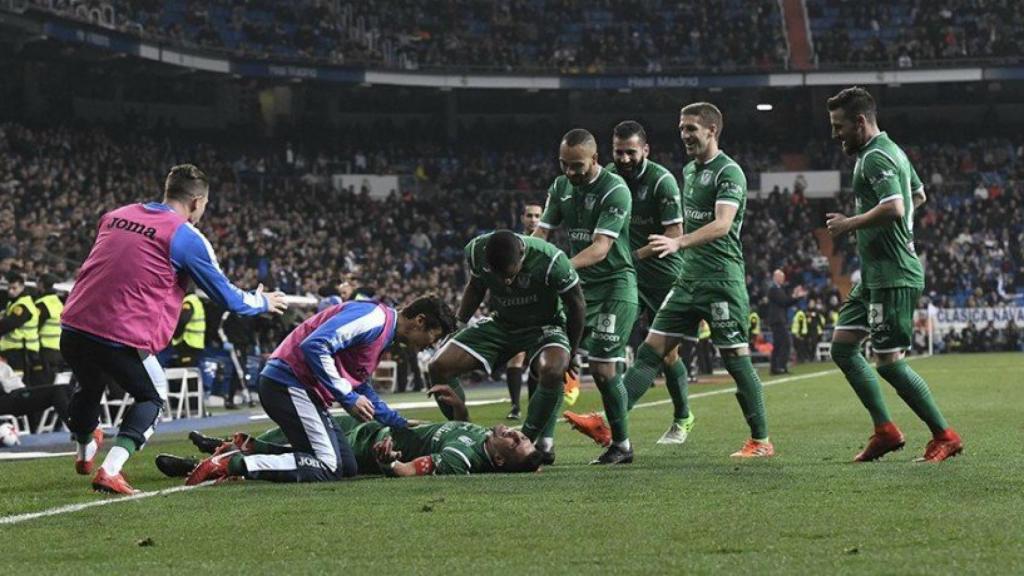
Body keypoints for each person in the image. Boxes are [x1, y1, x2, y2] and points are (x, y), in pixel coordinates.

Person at [59, 164, 289, 495]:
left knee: (91, 385)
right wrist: (263, 301)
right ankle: (110, 471)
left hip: (73, 325)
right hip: (119, 333)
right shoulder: (185, 236)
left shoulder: (115, 215)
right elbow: (227, 297)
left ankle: (84, 452)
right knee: (152, 395)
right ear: (197, 202)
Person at [568, 103, 774, 458]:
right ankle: (607, 423)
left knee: (736, 360)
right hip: (688, 279)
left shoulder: (730, 172)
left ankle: (761, 440)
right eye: (681, 128)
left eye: (691, 128)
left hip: (721, 279)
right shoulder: (691, 171)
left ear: (712, 130)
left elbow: (723, 224)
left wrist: (677, 241)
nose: (684, 135)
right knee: (651, 352)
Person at [825, 86, 962, 462]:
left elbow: (897, 207)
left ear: (859, 121)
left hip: (892, 275)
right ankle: (885, 430)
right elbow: (918, 196)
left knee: (888, 362)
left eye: (839, 127)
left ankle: (945, 435)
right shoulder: (891, 151)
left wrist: (851, 224)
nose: (835, 134)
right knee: (843, 346)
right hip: (874, 275)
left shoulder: (875, 157)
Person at [185, 296, 456, 485]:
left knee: (347, 467)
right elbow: (316, 345)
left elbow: (360, 385)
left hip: (299, 388)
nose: (429, 347)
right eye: (433, 339)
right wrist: (347, 398)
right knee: (328, 466)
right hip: (288, 383)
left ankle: (247, 448)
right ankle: (231, 464)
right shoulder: (373, 318)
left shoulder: (382, 332)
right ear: (420, 321)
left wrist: (396, 421)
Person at [565, 120, 694, 445]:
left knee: (664, 354)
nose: (623, 159)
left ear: (645, 150)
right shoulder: (606, 177)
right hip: (626, 277)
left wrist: (631, 256)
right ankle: (582, 389)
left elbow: (674, 234)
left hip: (664, 276)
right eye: (618, 152)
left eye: (630, 152)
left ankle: (678, 417)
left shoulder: (662, 181)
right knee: (610, 344)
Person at [428, 230, 585, 464]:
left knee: (553, 370)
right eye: (500, 277)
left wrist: (572, 351)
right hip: (502, 324)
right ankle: (467, 435)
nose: (506, 282)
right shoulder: (475, 251)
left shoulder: (552, 259)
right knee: (438, 366)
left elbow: (577, 305)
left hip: (544, 325)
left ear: (523, 255)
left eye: (510, 275)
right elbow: (476, 287)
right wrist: (458, 324)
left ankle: (527, 442)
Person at [534, 128, 640, 465]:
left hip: (614, 287)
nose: (570, 172)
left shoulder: (615, 189)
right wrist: (526, 258)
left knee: (604, 369)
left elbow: (600, 248)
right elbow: (542, 232)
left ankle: (622, 445)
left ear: (595, 160)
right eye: (564, 164)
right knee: (553, 363)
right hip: (578, 288)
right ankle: (544, 446)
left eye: (577, 166)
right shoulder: (560, 186)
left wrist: (556, 267)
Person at [158, 386, 543, 478]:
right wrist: (457, 406)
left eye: (516, 442)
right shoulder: (480, 438)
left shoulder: (462, 458)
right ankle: (221, 449)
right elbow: (450, 428)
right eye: (520, 434)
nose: (513, 433)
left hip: (361, 443)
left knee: (292, 448)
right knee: (282, 437)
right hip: (365, 427)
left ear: (497, 459)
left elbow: (409, 470)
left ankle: (208, 462)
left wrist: (391, 462)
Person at [504, 202, 545, 420]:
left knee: (538, 361)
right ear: (522, 218)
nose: (533, 219)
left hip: (540, 308)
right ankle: (514, 406)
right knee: (516, 358)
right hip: (517, 306)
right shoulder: (513, 243)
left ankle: (533, 406)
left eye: (537, 215)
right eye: (529, 215)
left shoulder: (547, 242)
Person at [0, 273, 44, 386]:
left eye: (14, 288)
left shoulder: (23, 306)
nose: (10, 291)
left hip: (21, 351)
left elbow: (7, 324)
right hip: (15, 350)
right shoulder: (14, 303)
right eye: (9, 288)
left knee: (15, 383)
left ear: (22, 287)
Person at [767, 269, 804, 374]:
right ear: (776, 277)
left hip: (779, 320)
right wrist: (795, 296)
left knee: (778, 344)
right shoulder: (773, 290)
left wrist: (795, 297)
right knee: (785, 343)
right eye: (781, 277)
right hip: (777, 321)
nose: (783, 279)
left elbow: (786, 302)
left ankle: (775, 368)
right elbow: (784, 302)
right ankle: (780, 367)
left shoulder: (778, 289)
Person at [35, 273, 66, 386]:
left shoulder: (42, 304)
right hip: (57, 349)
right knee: (51, 382)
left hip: (45, 349)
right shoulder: (58, 303)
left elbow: (34, 326)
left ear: (41, 284)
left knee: (42, 383)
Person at [170, 291, 205, 368]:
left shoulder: (188, 302)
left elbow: (183, 320)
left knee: (182, 371)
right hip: (195, 343)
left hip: (187, 342)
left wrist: (175, 335)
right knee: (190, 372)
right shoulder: (195, 300)